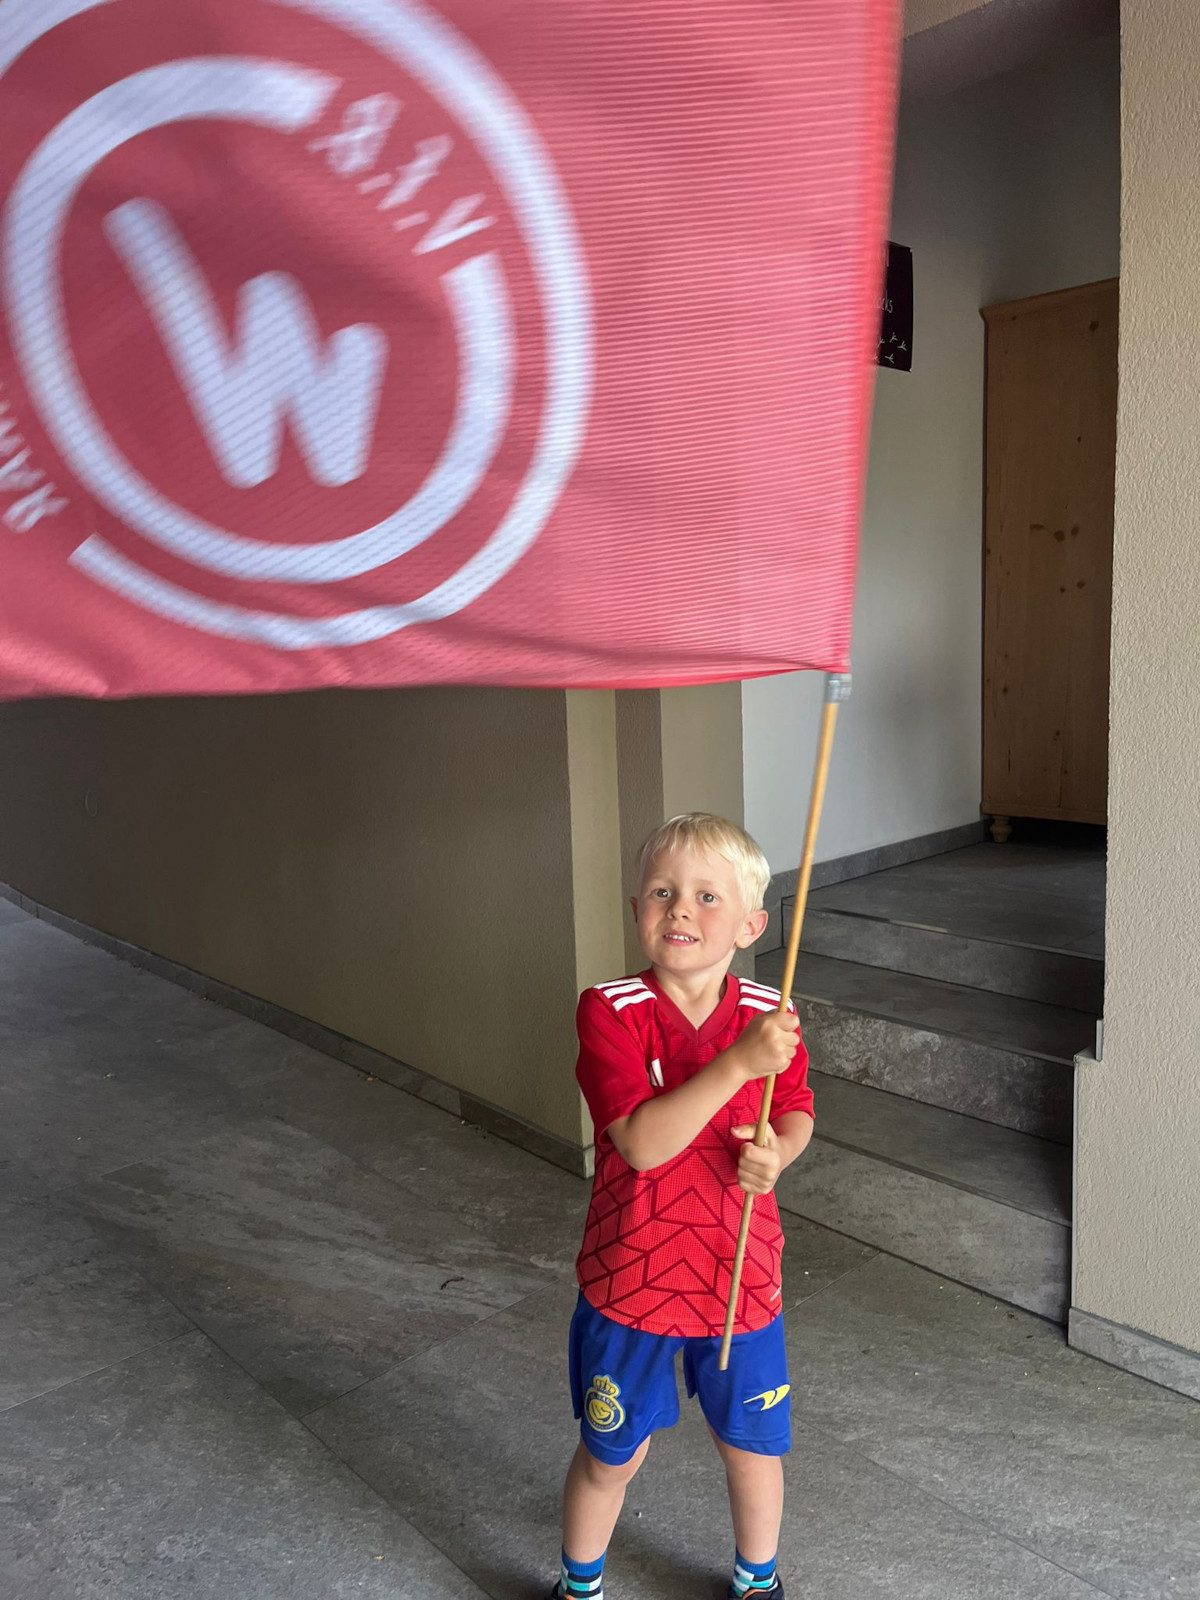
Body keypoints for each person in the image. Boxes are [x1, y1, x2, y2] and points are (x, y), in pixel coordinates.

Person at [547, 813, 815, 1600]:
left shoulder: (772, 1012)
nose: (682, 910)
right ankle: (579, 1582)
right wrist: (738, 1064)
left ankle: (757, 1580)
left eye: (706, 895)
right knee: (611, 1455)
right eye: (663, 892)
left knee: (751, 1446)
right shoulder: (610, 1009)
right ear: (636, 909)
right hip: (631, 1277)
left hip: (740, 1271)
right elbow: (641, 1143)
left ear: (750, 923)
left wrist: (782, 1152)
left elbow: (796, 1107)